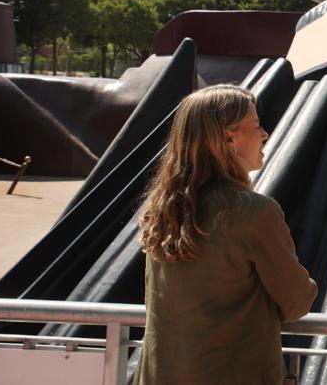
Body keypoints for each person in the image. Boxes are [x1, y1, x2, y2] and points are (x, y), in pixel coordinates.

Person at [135, 84, 317, 385]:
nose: (264, 135)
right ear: (229, 138)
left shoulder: (161, 210)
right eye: (256, 126)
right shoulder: (255, 212)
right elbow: (297, 301)